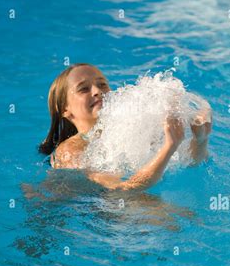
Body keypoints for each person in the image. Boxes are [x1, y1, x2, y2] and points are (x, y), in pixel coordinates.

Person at [39, 63, 212, 191]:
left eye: (102, 84)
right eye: (83, 89)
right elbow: (123, 189)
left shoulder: (127, 131)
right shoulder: (71, 150)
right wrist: (169, 147)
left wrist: (201, 140)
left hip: (118, 205)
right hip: (88, 209)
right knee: (170, 220)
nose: (97, 91)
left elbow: (190, 163)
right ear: (64, 110)